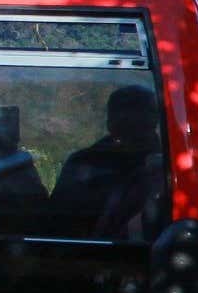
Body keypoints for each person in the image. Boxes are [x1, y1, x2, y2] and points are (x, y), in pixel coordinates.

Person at [50, 85, 160, 238]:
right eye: (125, 116)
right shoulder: (83, 164)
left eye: (137, 117)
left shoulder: (166, 166)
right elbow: (57, 225)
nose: (131, 124)